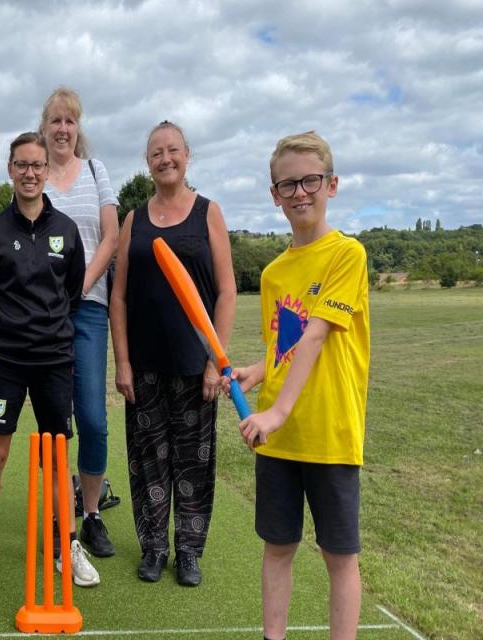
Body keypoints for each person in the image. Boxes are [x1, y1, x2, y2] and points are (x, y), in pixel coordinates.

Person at [225, 131, 369, 640]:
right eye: (288, 184)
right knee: (278, 547)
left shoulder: (346, 255)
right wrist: (256, 372)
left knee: (338, 556)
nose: (300, 192)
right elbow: (284, 346)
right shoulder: (272, 273)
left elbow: (316, 334)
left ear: (331, 185)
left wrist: (277, 412)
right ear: (274, 195)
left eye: (310, 180)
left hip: (329, 432)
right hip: (279, 441)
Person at [0, 131, 99, 594]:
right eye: (22, 165)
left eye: (38, 165)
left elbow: (73, 294)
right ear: (10, 169)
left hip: (55, 361)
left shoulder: (66, 231)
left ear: (46, 170)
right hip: (6, 361)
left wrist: (48, 332)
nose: (31, 173)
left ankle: (67, 545)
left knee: (57, 458)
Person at [109, 121, 237, 586]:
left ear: (187, 156)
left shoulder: (208, 213)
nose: (165, 159)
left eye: (173, 150)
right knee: (148, 459)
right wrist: (122, 360)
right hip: (143, 364)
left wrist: (214, 361)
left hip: (194, 364)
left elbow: (226, 291)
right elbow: (118, 296)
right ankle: (153, 547)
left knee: (193, 460)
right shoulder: (134, 220)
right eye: (156, 153)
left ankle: (187, 551)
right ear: (147, 163)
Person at [39, 87, 119, 558]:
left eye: (70, 121)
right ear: (44, 127)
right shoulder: (34, 171)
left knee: (92, 417)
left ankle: (90, 515)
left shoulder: (95, 170)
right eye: (55, 121)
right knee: (56, 419)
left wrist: (81, 284)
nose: (63, 129)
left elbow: (110, 236)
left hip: (88, 307)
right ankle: (59, 518)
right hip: (43, 314)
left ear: (78, 127)